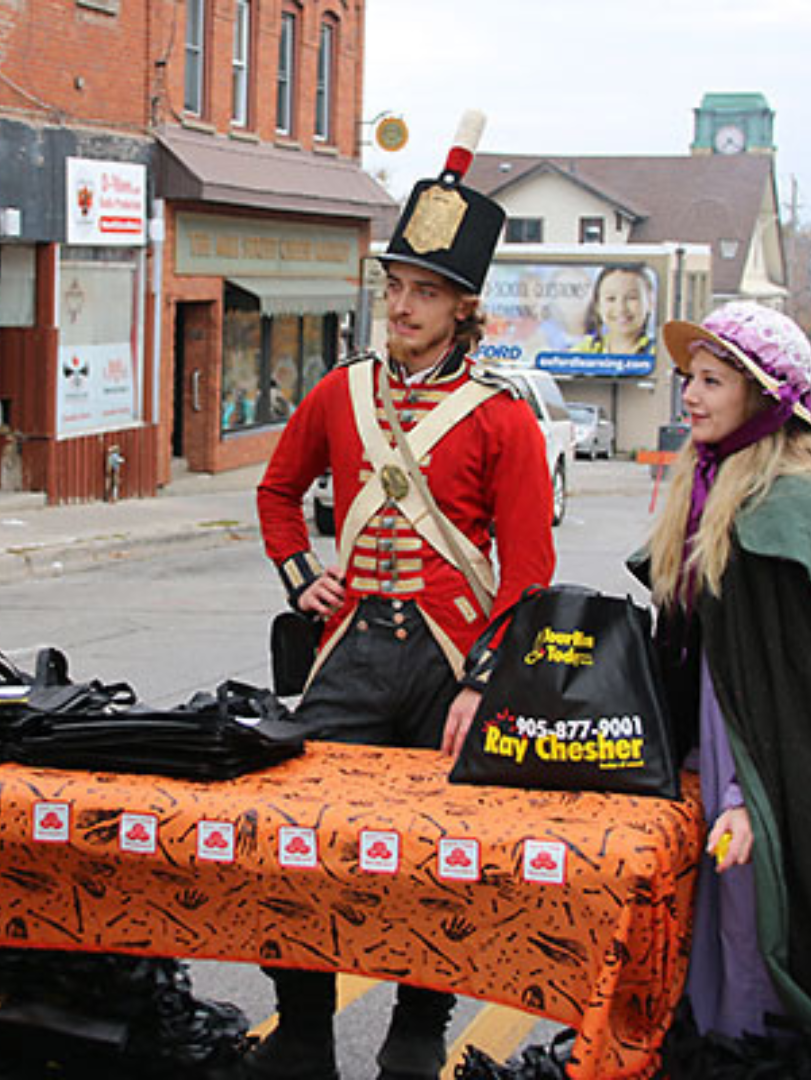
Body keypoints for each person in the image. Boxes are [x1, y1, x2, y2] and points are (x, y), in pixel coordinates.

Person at [254, 147, 556, 1079]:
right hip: (349, 650)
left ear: (464, 305)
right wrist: (302, 572)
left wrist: (483, 678)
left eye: (427, 290)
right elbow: (276, 491)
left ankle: (419, 1025)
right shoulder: (341, 390)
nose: (403, 305)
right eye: (396, 285)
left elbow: (528, 574)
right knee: (293, 845)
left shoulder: (505, 416)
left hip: (448, 664)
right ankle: (303, 1026)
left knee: (443, 857)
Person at [641, 301, 811, 1043]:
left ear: (762, 397)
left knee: (752, 936)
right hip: (708, 756)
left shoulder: (784, 507)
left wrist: (746, 796)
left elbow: (785, 683)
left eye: (712, 380)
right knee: (707, 933)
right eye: (688, 378)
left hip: (763, 772)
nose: (691, 395)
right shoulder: (706, 488)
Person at [576, 264, 655, 355]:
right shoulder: (583, 351)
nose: (621, 308)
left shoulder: (658, 353)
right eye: (611, 298)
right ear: (597, 305)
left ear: (650, 302)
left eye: (631, 298)